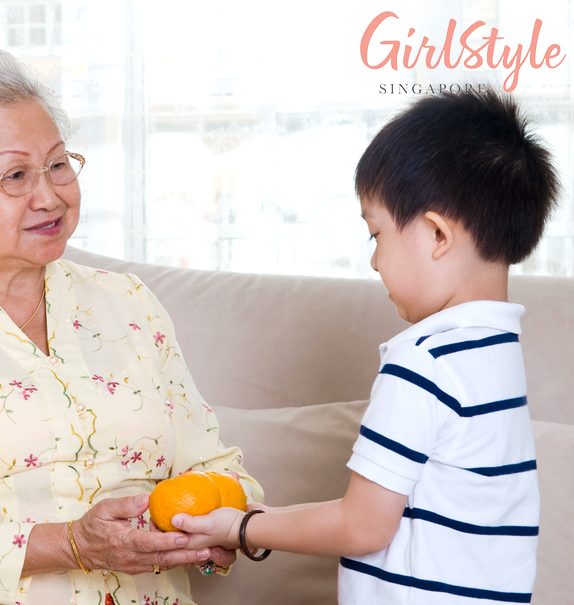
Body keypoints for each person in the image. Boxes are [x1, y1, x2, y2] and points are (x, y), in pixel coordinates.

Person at [0, 47, 261, 605]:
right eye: (15, 175)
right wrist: (73, 545)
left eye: (58, 164)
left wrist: (221, 527)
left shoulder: (127, 302)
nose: (50, 195)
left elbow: (216, 469)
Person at [174, 89, 557, 604]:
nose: (374, 261)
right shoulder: (496, 352)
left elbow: (363, 527)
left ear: (437, 235)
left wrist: (240, 528)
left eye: (376, 234)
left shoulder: (423, 361)